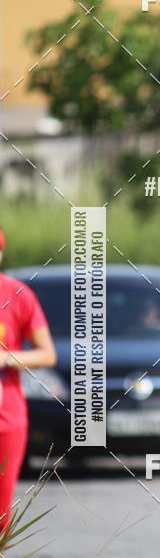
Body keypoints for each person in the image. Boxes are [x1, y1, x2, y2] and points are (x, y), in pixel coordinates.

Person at [0, 229, 57, 535]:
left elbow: (47, 354)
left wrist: (8, 358)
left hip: (7, 419)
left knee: (1, 515)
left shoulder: (16, 295)